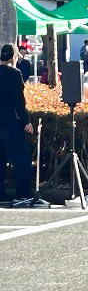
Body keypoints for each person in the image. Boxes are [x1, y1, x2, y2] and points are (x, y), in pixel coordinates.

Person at [0, 44, 33, 201]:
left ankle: (1, 194)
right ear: (13, 57)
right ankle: (23, 194)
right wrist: (26, 121)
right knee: (22, 159)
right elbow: (19, 101)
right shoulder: (14, 74)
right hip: (9, 124)